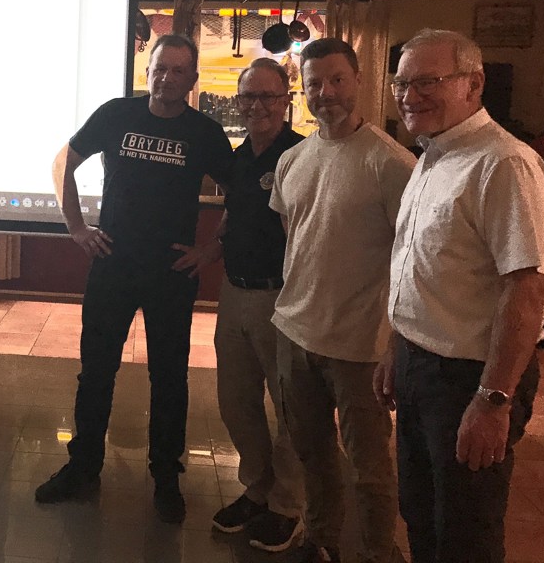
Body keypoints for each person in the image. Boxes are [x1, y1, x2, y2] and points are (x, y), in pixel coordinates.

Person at [35, 34, 233, 523]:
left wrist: (211, 248)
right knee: (96, 372)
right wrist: (77, 228)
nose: (167, 78)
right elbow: (62, 163)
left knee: (169, 378)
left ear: (192, 79)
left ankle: (166, 475)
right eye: (160, 68)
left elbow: (240, 194)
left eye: (178, 70)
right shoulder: (115, 115)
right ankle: (83, 466)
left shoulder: (205, 133)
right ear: (148, 71)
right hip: (113, 265)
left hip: (171, 272)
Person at [373, 29, 544, 563]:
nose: (409, 96)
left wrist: (493, 399)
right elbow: (421, 270)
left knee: (465, 531)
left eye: (427, 81)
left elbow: (527, 286)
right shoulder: (433, 154)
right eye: (401, 83)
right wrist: (396, 348)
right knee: (420, 513)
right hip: (418, 364)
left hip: (468, 377)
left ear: (473, 84)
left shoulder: (504, 163)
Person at [269, 38, 416, 563]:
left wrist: (395, 342)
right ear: (303, 90)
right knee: (311, 452)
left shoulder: (392, 163)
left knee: (369, 467)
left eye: (337, 80)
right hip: (295, 333)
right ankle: (320, 539)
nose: (326, 92)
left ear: (358, 81)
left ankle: (379, 553)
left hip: (360, 346)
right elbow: (296, 237)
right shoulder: (292, 160)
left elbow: (411, 257)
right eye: (315, 83)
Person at [208, 58, 306, 552]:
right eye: (248, 97)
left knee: (290, 407)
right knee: (235, 400)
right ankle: (257, 489)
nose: (257, 106)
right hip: (234, 293)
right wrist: (208, 251)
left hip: (283, 297)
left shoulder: (303, 155)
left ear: (287, 100)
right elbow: (234, 216)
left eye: (268, 96)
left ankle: (288, 504)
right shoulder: (239, 158)